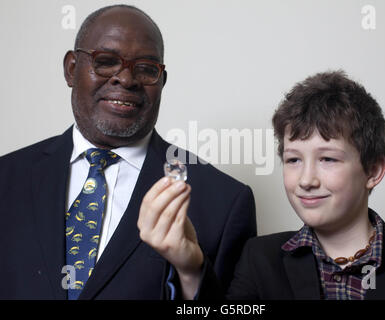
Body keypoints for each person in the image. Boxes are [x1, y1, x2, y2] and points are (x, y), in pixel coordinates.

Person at [0, 4, 256, 299]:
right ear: (71, 69)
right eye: (106, 61)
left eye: (146, 69)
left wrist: (191, 272)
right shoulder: (8, 179)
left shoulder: (223, 202)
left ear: (161, 81)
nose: (126, 79)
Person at [147, 70, 385, 300]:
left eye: (328, 159)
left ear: (373, 171)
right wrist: (189, 269)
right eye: (293, 160)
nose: (306, 180)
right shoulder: (259, 259)